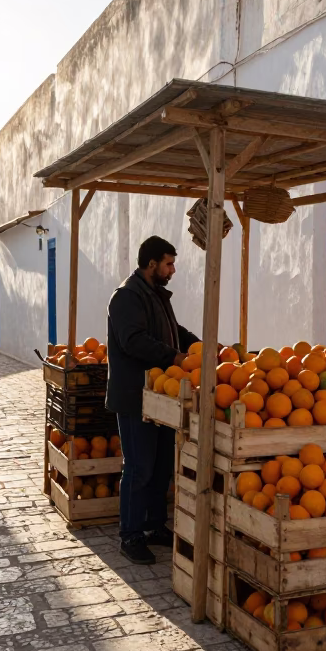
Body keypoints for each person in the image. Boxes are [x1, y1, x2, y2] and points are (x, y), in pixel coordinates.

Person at [107, 236, 199, 564]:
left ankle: (154, 525)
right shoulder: (126, 297)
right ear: (151, 265)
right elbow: (134, 341)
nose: (173, 270)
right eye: (169, 263)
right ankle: (130, 536)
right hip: (134, 396)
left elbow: (174, 330)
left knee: (161, 468)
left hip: (160, 396)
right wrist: (175, 358)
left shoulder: (156, 295)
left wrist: (203, 346)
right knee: (139, 467)